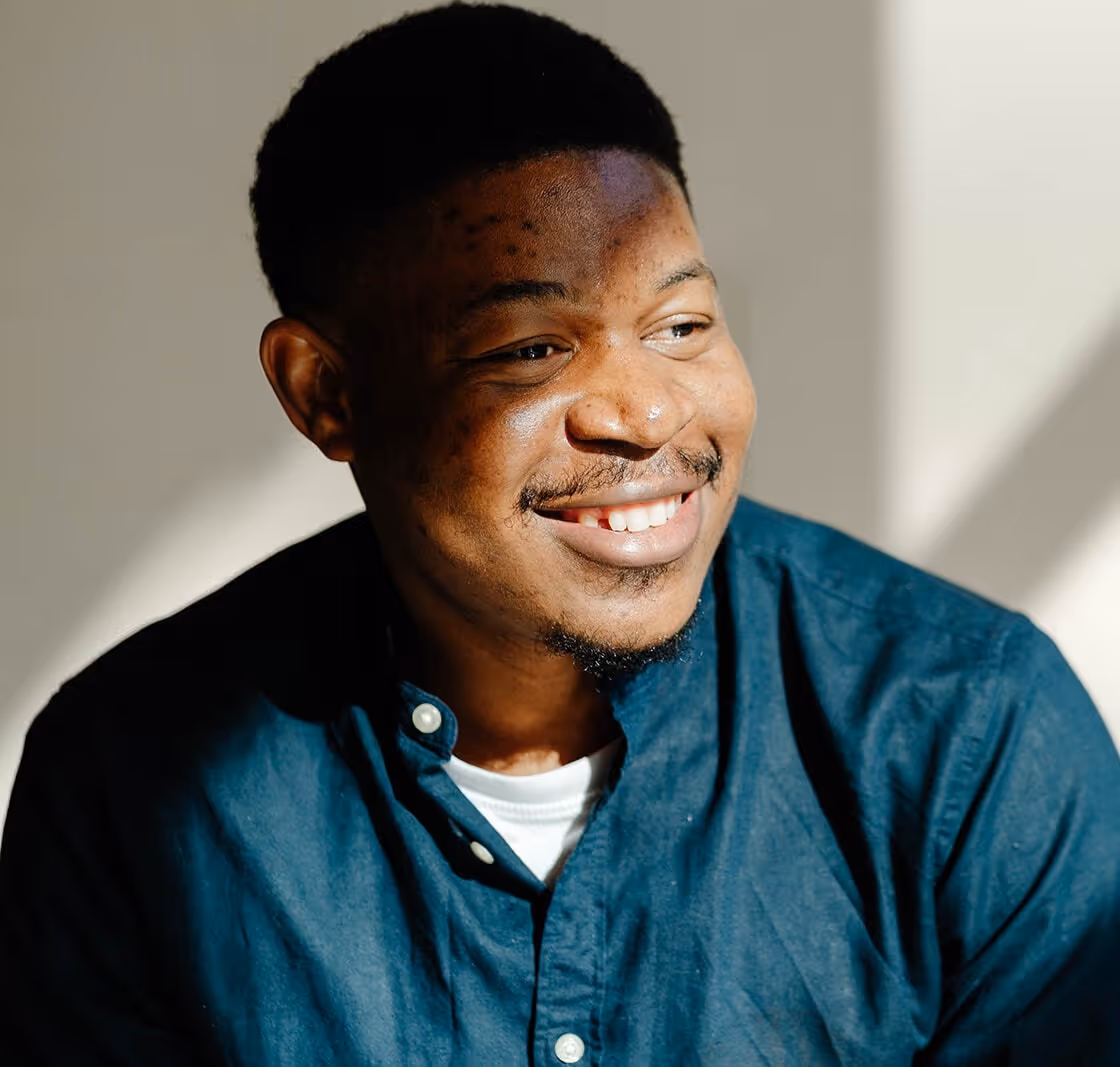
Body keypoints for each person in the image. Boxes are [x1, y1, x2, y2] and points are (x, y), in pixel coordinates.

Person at [2, 4, 1118, 1063]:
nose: (649, 413)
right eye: (533, 349)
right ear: (325, 393)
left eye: (681, 325)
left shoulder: (965, 730)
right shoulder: (135, 784)